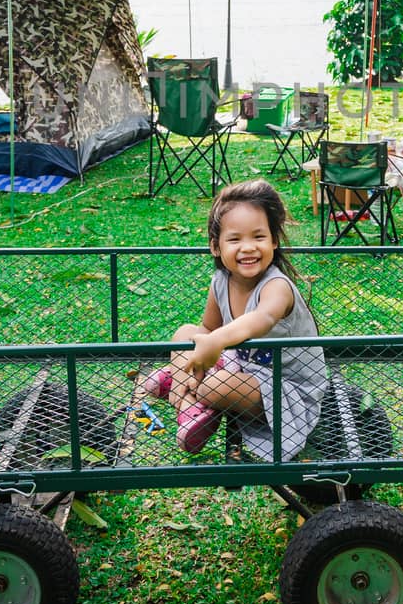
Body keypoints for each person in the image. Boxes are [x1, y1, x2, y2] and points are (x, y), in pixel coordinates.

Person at [141, 179, 328, 457]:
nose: (248, 247)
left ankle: (192, 395)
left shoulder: (277, 286)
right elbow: (206, 327)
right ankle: (187, 397)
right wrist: (206, 339)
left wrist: (215, 341)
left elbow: (262, 318)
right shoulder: (220, 282)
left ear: (274, 240)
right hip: (244, 368)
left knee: (216, 387)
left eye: (258, 236)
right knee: (185, 332)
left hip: (288, 390)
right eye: (235, 239)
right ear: (216, 246)